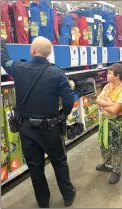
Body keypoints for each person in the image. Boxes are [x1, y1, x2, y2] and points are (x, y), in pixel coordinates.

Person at [1, 36, 76, 208]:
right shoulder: (57, 73)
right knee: (59, 162)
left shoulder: (18, 68)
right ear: (49, 54)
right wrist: (62, 116)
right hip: (50, 128)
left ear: (32, 51)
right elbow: (68, 101)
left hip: (26, 128)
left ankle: (43, 202)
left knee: (35, 167)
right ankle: (67, 195)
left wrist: (2, 43)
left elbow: (4, 59)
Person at [95, 63, 122, 184]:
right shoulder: (108, 86)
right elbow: (97, 100)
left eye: (109, 73)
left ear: (117, 76)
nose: (107, 75)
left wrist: (104, 105)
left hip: (116, 123)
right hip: (105, 121)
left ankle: (116, 170)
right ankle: (107, 163)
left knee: (115, 146)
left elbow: (116, 111)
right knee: (104, 144)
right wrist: (111, 103)